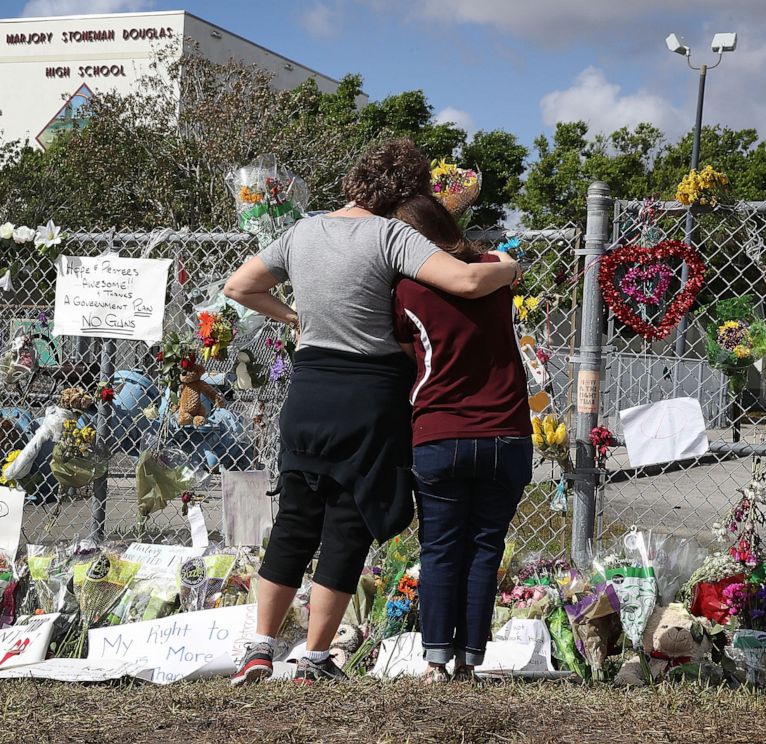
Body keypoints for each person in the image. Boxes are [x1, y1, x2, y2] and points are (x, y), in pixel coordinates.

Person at [222, 139, 521, 685]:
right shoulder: (393, 235)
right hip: (371, 394)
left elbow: (239, 286)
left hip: (310, 389)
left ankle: (259, 649)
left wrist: (294, 318)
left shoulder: (302, 231)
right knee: (348, 521)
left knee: (294, 518)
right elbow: (466, 281)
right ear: (408, 192)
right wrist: (507, 266)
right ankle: (313, 657)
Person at [391, 193, 533, 683]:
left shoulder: (406, 288)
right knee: (484, 546)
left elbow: (407, 350)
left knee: (440, 546)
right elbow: (509, 264)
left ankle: (435, 660)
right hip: (507, 432)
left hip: (440, 432)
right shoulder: (494, 270)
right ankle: (470, 661)